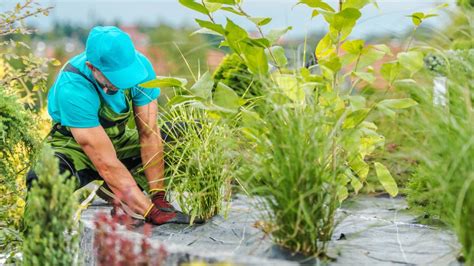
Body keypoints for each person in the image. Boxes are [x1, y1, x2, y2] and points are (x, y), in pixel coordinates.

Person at [26, 26, 200, 225]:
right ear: (92, 67)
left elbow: (149, 134)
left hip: (117, 141)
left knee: (188, 134)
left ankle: (121, 191)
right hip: (73, 148)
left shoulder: (140, 68)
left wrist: (157, 196)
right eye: (115, 78)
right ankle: (35, 251)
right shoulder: (73, 86)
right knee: (42, 180)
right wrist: (150, 212)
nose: (123, 83)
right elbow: (105, 162)